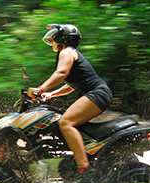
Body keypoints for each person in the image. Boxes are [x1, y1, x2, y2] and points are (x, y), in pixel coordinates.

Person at [30, 24, 112, 174]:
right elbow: (71, 85)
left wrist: (40, 89)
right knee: (66, 122)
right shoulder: (71, 53)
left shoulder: (66, 51)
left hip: (97, 93)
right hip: (98, 93)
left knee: (66, 122)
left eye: (54, 36)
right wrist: (50, 94)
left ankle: (83, 166)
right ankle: (84, 155)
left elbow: (61, 73)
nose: (51, 39)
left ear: (63, 38)